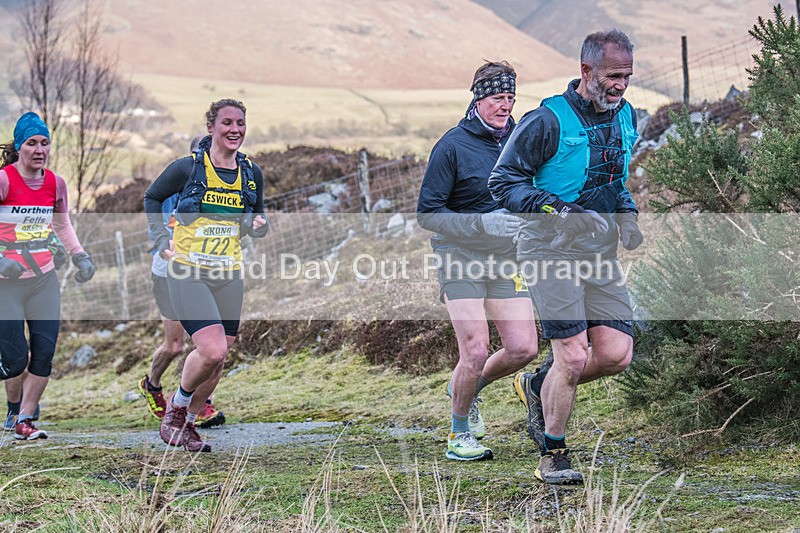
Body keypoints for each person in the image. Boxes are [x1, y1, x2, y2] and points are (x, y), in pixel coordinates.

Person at [489, 29, 643, 484]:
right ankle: (553, 455)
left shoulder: (625, 115)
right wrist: (559, 209)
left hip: (599, 253)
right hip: (547, 249)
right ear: (585, 71)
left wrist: (628, 217)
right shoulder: (545, 121)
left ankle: (538, 384)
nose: (620, 85)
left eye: (627, 76)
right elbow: (504, 184)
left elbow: (616, 178)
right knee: (572, 357)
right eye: (613, 76)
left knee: (616, 355)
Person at [417, 61, 539, 462]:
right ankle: (458, 434)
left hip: (506, 260)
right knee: (475, 349)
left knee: (522, 349)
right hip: (459, 256)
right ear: (478, 98)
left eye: (510, 97)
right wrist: (482, 224)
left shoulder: (519, 142)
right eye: (496, 97)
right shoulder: (452, 145)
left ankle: (465, 388)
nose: (505, 105)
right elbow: (427, 213)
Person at [144, 99, 269, 452]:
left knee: (222, 354)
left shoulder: (251, 173)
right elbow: (152, 197)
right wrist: (159, 238)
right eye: (227, 122)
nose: (235, 129)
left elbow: (255, 217)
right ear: (211, 127)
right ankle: (175, 411)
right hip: (188, 269)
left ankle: (189, 422)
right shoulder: (187, 168)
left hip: (228, 272)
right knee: (211, 351)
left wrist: (258, 225)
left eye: (241, 123)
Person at [0, 112, 96, 440]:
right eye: (31, 143)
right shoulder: (4, 180)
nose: (39, 149)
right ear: (18, 146)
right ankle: (14, 408)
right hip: (6, 286)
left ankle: (24, 419)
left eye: (44, 142)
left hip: (43, 279)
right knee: (14, 361)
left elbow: (62, 223)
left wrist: (79, 255)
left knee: (43, 354)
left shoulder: (55, 183)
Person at [138, 136, 225, 429]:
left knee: (212, 343)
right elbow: (161, 224)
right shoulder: (175, 186)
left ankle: (196, 406)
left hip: (207, 271)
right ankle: (152, 384)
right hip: (169, 271)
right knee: (175, 345)